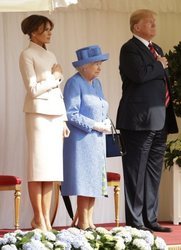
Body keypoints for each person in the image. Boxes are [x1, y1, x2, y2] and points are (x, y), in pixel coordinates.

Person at [116, 9, 178, 232]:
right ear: (136, 27)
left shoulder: (157, 49)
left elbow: (162, 81)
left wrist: (159, 64)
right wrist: (159, 64)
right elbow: (140, 75)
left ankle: (150, 219)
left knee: (153, 173)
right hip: (137, 122)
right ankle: (135, 222)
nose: (154, 25)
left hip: (160, 119)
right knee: (135, 171)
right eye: (149, 22)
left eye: (155, 22)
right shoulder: (129, 49)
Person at [19, 15, 70, 231]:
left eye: (50, 29)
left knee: (52, 171)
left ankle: (46, 219)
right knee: (38, 168)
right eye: (45, 29)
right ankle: (39, 218)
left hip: (55, 116)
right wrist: (56, 76)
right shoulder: (27, 54)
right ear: (32, 31)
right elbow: (32, 89)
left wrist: (64, 119)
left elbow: (57, 92)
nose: (49, 33)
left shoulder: (51, 54)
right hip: (38, 115)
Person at [61, 45, 111, 230]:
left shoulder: (97, 84)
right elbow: (70, 113)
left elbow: (101, 106)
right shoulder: (74, 83)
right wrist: (94, 125)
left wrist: (104, 121)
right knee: (84, 180)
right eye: (95, 64)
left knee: (95, 181)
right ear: (83, 66)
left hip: (97, 140)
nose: (99, 67)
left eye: (100, 63)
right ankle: (83, 223)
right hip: (80, 141)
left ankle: (90, 221)